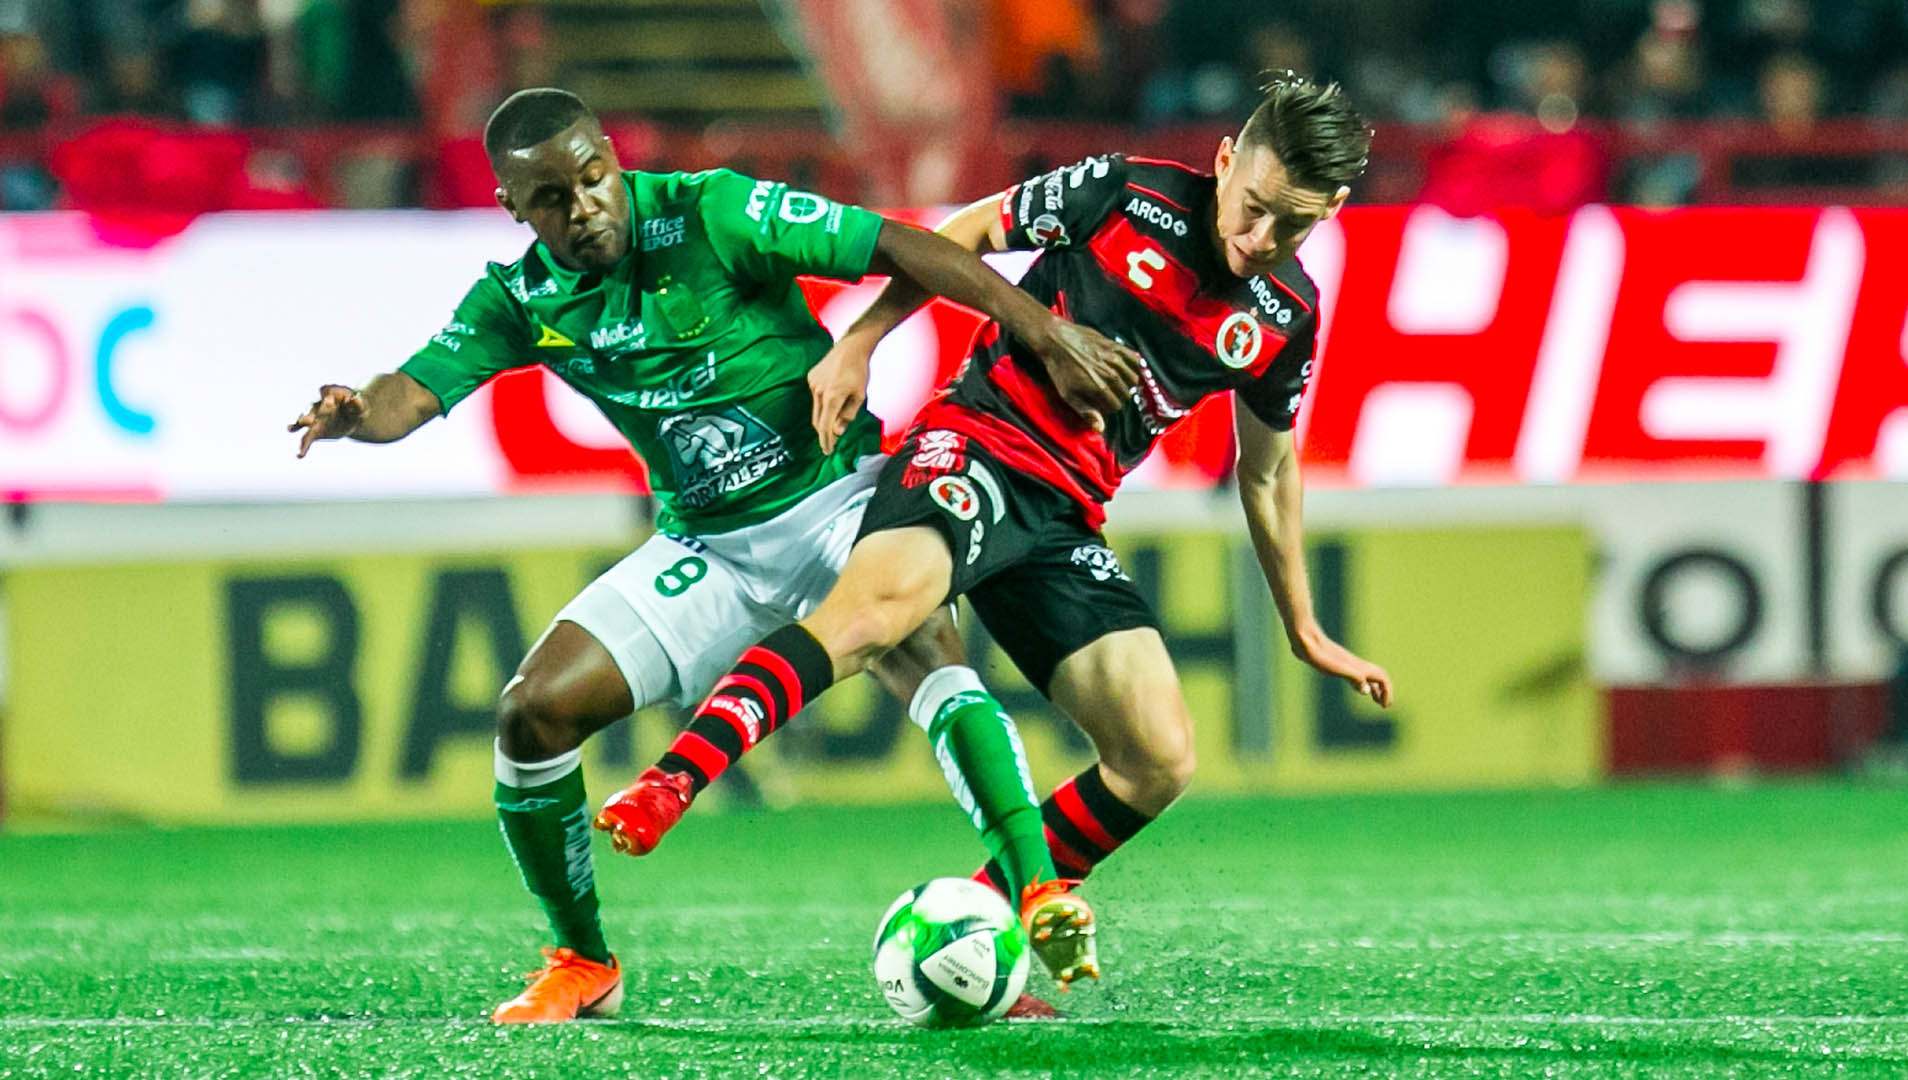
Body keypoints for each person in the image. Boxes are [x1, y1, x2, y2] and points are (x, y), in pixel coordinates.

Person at [288, 88, 1138, 1023]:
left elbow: (900, 245)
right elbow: (412, 389)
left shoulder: (713, 211)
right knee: (532, 715)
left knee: (931, 655)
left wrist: (1043, 330)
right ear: (513, 208)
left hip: (843, 501)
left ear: (614, 158)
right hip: (710, 547)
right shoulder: (518, 300)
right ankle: (582, 961)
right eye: (552, 199)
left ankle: (1034, 895)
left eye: (594, 177)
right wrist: (357, 414)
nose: (584, 208)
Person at [598, 71, 1395, 931]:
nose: (1260, 236)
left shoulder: (1289, 315)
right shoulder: (1127, 194)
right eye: (1254, 204)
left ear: (1336, 207)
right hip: (977, 442)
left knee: (1157, 758)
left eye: (1296, 223)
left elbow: (1270, 471)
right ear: (1227, 157)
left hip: (1064, 518)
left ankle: (984, 923)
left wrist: (1303, 626)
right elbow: (966, 233)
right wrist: (862, 340)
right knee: (874, 616)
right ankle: (673, 779)